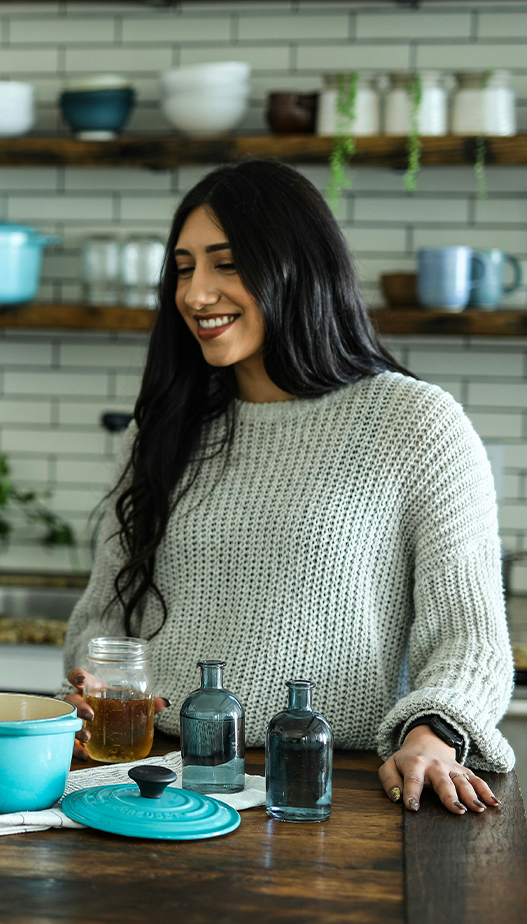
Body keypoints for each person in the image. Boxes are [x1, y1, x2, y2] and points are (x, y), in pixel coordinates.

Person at [62, 158, 514, 815]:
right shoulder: (163, 429)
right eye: (184, 268)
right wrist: (94, 681)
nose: (195, 294)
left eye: (227, 263)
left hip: (329, 789)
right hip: (154, 785)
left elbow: (469, 641)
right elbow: (103, 620)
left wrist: (433, 734)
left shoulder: (416, 423)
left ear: (297, 266)